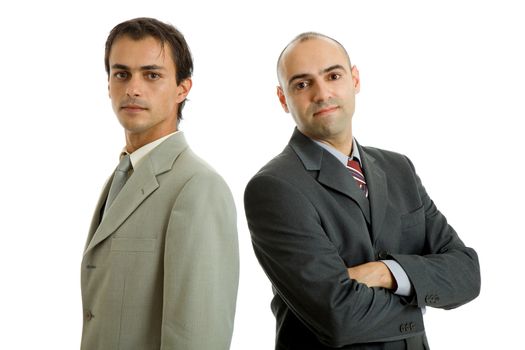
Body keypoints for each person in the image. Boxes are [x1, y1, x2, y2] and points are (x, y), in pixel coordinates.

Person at [244, 32, 480, 350]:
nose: (322, 92)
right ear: (283, 99)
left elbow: (467, 273)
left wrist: (386, 272)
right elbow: (338, 318)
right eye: (302, 84)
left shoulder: (399, 169)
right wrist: (420, 293)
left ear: (354, 79)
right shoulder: (274, 188)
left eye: (333, 75)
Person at [80, 17, 239, 350]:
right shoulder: (122, 175)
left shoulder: (198, 187)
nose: (133, 88)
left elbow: (199, 336)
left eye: (152, 75)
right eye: (121, 74)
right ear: (108, 84)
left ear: (183, 88)